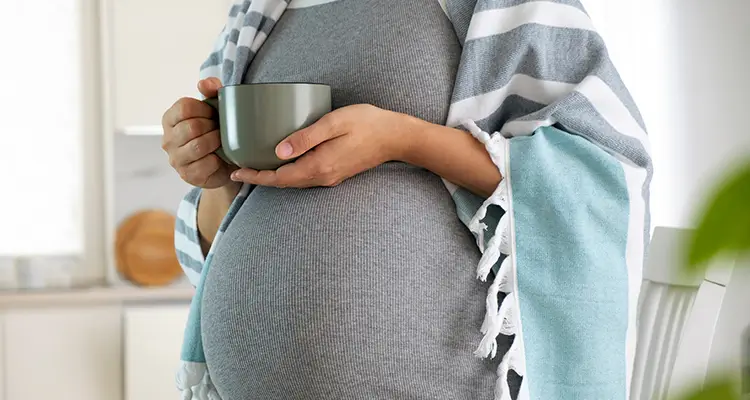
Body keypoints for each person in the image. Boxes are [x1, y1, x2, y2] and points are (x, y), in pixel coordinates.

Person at [162, 1, 651, 399]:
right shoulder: (255, 13)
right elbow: (218, 237)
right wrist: (213, 170)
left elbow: (602, 177)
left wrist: (404, 140)